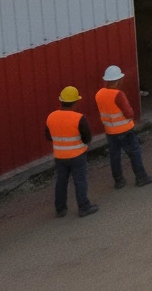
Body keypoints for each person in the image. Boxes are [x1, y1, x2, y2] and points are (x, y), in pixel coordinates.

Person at [96, 65, 152, 188]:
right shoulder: (118, 94)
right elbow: (129, 113)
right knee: (134, 153)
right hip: (125, 130)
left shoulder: (99, 94)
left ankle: (119, 181)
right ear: (117, 80)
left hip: (110, 131)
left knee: (115, 156)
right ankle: (141, 177)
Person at [45, 86, 97, 217]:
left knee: (61, 182)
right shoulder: (79, 118)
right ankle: (84, 207)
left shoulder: (51, 116)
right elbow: (87, 138)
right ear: (75, 102)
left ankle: (60, 208)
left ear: (61, 101)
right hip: (77, 156)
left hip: (60, 156)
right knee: (80, 181)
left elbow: (48, 136)